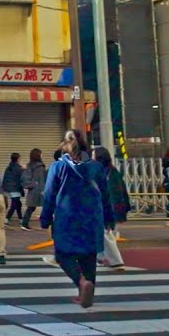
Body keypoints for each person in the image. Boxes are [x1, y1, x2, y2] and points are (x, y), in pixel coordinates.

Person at [40, 129, 113, 308]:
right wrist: (109, 218)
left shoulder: (58, 167)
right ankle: (86, 292)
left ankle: (81, 282)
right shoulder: (96, 167)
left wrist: (45, 218)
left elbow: (49, 194)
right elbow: (105, 195)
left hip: (67, 217)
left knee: (63, 254)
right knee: (89, 255)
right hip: (92, 217)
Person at [94, 146, 131, 271]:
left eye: (94, 155)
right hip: (107, 207)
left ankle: (117, 261)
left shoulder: (109, 173)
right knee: (101, 233)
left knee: (105, 233)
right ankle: (98, 258)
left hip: (108, 208)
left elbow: (114, 193)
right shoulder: (106, 171)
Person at [20, 148, 48, 230]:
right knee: (45, 206)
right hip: (39, 190)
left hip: (34, 190)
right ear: (38, 155)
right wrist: (41, 188)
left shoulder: (30, 165)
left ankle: (24, 223)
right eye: (41, 154)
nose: (42, 155)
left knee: (32, 207)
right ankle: (45, 223)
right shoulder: (39, 166)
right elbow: (41, 179)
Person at [2, 152, 25, 224]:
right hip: (15, 189)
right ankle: (7, 218)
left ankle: (21, 219)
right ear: (18, 159)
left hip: (8, 188)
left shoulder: (8, 167)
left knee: (18, 203)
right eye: (20, 158)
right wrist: (24, 169)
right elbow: (21, 179)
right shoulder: (18, 168)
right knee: (14, 204)